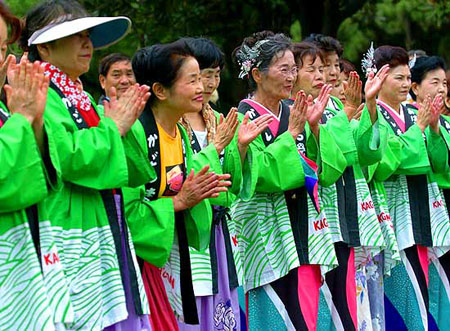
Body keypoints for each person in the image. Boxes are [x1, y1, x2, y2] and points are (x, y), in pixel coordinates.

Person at [20, 0, 154, 329]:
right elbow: (65, 156)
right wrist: (114, 127)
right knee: (82, 315)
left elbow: (130, 169)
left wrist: (121, 126)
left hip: (99, 221)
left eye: (88, 34)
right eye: (75, 35)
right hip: (68, 225)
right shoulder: (40, 91)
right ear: (46, 48)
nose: (87, 43)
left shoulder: (77, 94)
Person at [231, 30, 347, 330]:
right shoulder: (243, 119)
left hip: (303, 230)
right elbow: (262, 176)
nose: (291, 77)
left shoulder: (294, 112)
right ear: (257, 74)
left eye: (294, 69)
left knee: (310, 313)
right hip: (265, 234)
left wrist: (315, 128)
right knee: (278, 315)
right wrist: (293, 134)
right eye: (284, 69)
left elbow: (329, 171)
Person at [125, 39, 235, 330]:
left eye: (202, 78)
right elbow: (125, 211)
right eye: (193, 80)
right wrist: (178, 202)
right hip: (141, 261)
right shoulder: (137, 132)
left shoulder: (178, 133)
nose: (203, 87)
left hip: (169, 255)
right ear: (160, 90)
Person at [177, 37, 271, 331]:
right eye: (203, 74)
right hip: (190, 228)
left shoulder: (219, 118)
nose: (209, 83)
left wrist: (240, 148)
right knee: (192, 302)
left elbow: (232, 180)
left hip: (219, 230)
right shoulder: (171, 121)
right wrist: (216, 148)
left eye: (215, 75)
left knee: (223, 303)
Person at [303, 35, 391, 331]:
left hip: (348, 219)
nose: (328, 73)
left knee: (355, 305)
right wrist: (352, 112)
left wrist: (368, 105)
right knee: (328, 306)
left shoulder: (333, 110)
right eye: (319, 67)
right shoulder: (302, 111)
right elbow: (330, 166)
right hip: (321, 223)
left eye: (332, 66)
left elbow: (367, 153)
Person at [370, 45, 450, 330]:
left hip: (427, 216)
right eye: (399, 78)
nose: (406, 84)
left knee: (434, 299)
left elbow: (439, 165)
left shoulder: (416, 111)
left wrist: (436, 129)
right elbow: (390, 162)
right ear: (379, 78)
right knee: (407, 306)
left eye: (407, 78)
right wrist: (418, 128)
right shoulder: (375, 116)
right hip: (397, 219)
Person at [0, 4, 68, 329]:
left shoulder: (5, 109)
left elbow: (43, 171)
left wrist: (36, 120)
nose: (4, 61)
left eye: (3, 49)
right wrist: (23, 118)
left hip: (21, 259)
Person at [409, 55, 450, 329]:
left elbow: (443, 166)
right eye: (434, 82)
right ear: (416, 88)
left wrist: (436, 126)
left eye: (444, 83)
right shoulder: (407, 118)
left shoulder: (444, 122)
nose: (442, 89)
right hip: (421, 211)